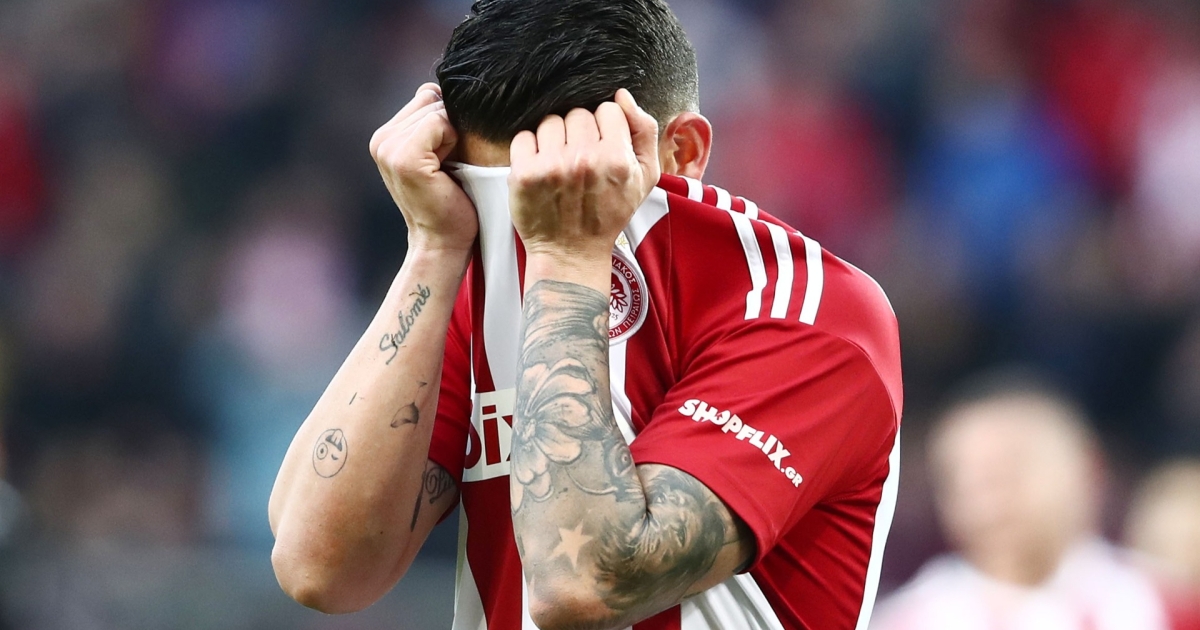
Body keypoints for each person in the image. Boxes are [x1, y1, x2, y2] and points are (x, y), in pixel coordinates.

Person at [268, 1, 902, 629]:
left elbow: (584, 586)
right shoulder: (482, 275)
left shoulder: (811, 314)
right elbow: (320, 568)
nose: (518, 228)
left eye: (563, 184)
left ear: (680, 152)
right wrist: (433, 246)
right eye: (484, 194)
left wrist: (568, 256)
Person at [871, 378, 1169, 630]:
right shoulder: (906, 621)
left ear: (1090, 468)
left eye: (1010, 472)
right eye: (966, 481)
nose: (988, 503)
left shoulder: (1164, 608)